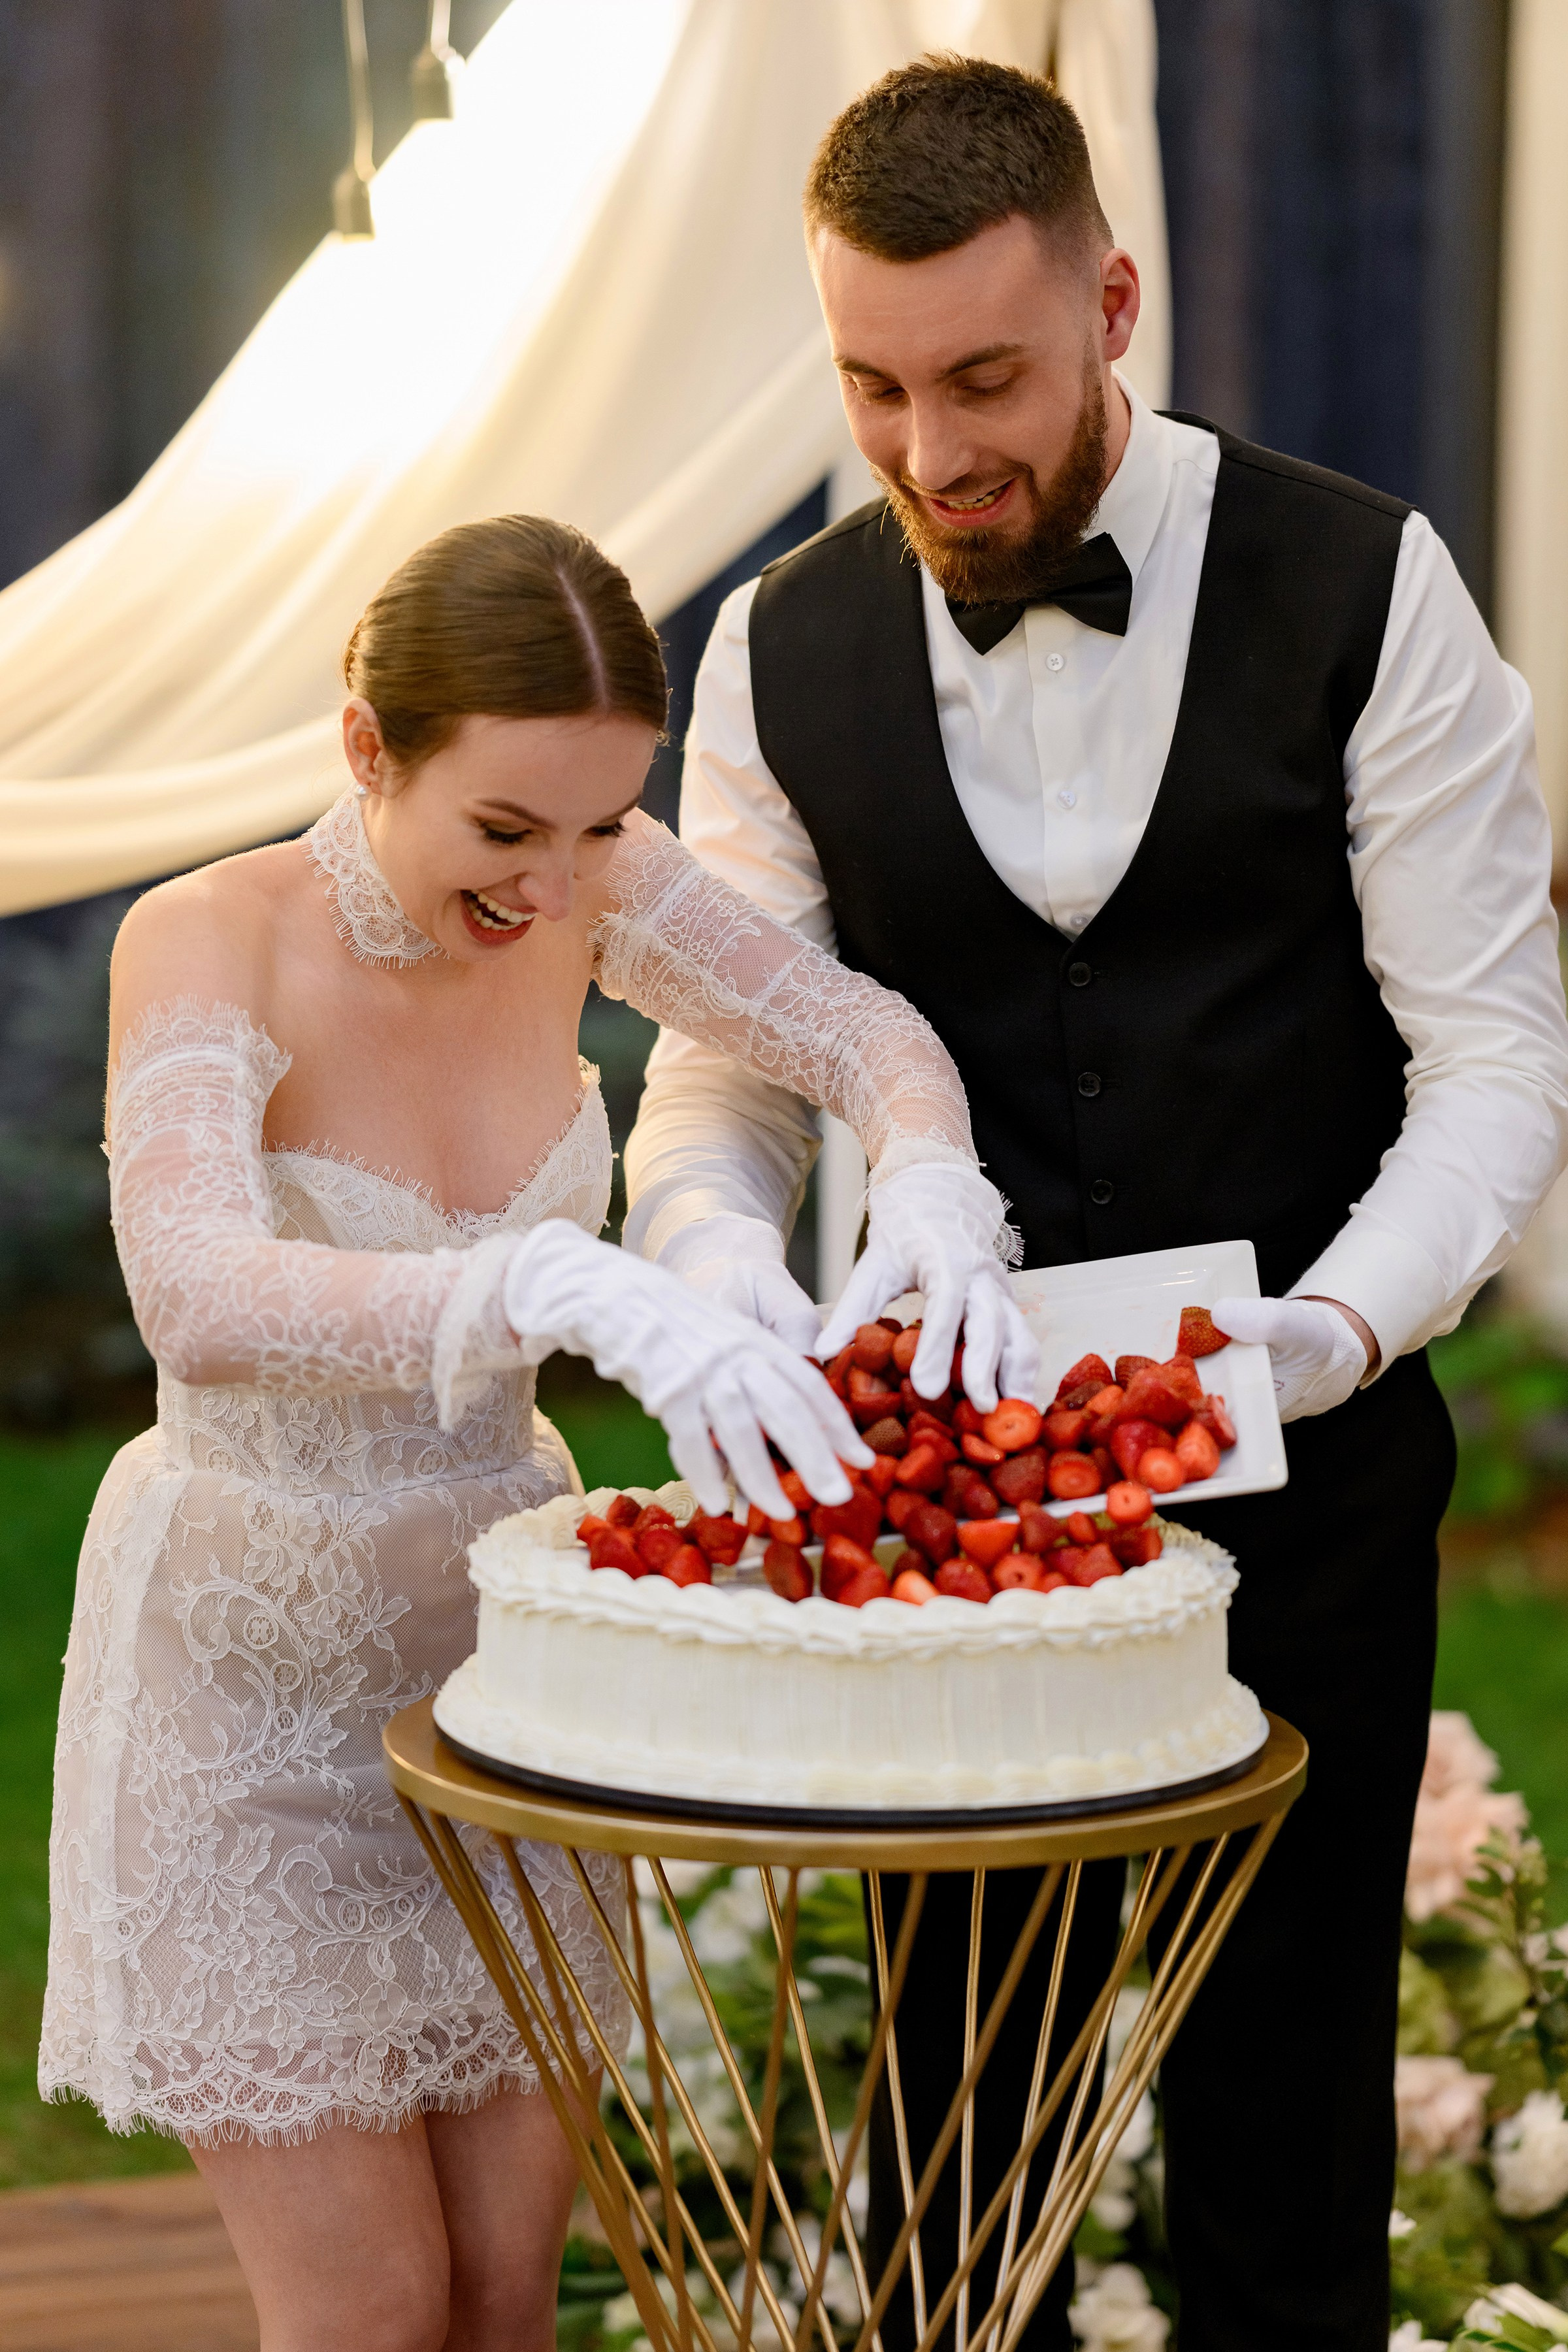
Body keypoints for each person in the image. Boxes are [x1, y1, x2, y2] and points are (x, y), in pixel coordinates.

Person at [623, 55, 1568, 2352]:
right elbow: (729, 1077)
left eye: (987, 382)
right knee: (969, 2157)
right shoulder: (775, 647)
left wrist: (1327, 1339)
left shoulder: (1372, 584)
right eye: (872, 387)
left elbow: (1496, 1053)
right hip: (960, 1523)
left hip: (1314, 1481)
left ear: (1114, 304)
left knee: (1287, 2143)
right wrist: (723, 1275)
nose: (935, 455)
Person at [39, 512, 1034, 2352]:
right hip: (246, 1704)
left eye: (600, 826)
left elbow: (862, 1030)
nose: (556, 886)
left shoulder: (599, 881)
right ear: (367, 745)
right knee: (375, 2317)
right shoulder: (209, 942)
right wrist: (540, 1292)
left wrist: (933, 1178)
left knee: (504, 2303)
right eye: (504, 830)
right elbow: (193, 1289)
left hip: (507, 1696)